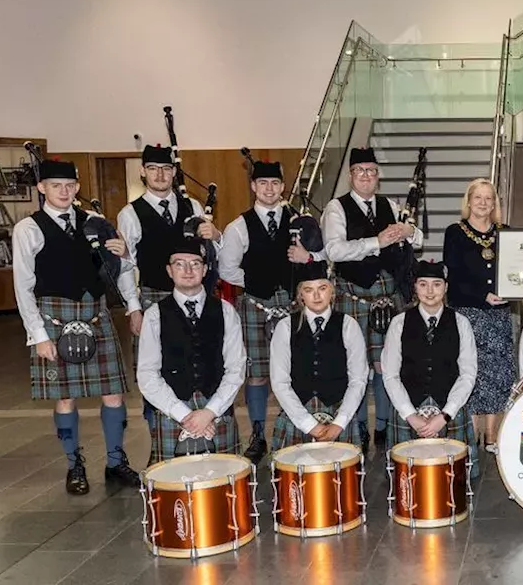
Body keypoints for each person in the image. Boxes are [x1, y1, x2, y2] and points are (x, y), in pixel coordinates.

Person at [14, 158, 142, 494]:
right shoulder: (28, 228)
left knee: (114, 393)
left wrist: (124, 254)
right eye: (56, 186)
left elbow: (120, 268)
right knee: (65, 397)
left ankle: (116, 461)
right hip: (53, 317)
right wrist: (38, 336)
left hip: (95, 314)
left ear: (78, 188)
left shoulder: (97, 222)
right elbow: (23, 286)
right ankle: (75, 466)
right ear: (41, 188)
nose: (64, 192)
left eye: (70, 186)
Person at [118, 143, 221, 464]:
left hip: (195, 297)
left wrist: (215, 234)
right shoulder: (130, 212)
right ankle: (159, 444)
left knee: (201, 366)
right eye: (153, 169)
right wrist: (133, 307)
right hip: (152, 298)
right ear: (143, 172)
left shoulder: (191, 205)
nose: (160, 175)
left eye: (166, 169)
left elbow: (211, 254)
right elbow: (124, 263)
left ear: (174, 172)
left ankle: (202, 435)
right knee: (156, 371)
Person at [218, 159, 322, 462]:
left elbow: (322, 255)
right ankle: (258, 434)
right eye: (263, 183)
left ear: (282, 187)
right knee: (258, 375)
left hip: (293, 305)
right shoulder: (239, 226)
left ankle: (299, 427)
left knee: (298, 371)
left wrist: (308, 257)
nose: (269, 189)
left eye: (275, 183)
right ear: (253, 186)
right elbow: (227, 270)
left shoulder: (301, 220)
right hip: (256, 305)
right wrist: (257, 281)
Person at [321, 146, 422, 453]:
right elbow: (334, 251)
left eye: (371, 171)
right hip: (354, 295)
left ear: (378, 176)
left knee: (386, 364)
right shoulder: (336, 209)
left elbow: (417, 239)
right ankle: (361, 425)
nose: (366, 176)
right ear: (351, 175)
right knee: (357, 367)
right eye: (360, 171)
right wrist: (375, 242)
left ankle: (383, 428)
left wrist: (408, 230)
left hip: (388, 298)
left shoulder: (389, 205)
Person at [136, 237, 246, 462]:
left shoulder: (226, 312)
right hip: (172, 412)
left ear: (205, 269)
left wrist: (209, 413)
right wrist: (185, 416)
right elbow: (147, 374)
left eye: (195, 263)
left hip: (217, 410)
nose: (187, 270)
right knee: (171, 491)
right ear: (169, 270)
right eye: (179, 264)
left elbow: (236, 368)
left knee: (226, 488)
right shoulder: (154, 315)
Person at [381, 261, 480, 476]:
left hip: (448, 408)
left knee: (455, 480)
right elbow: (390, 375)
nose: (430, 291)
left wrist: (445, 415)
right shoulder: (399, 322)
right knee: (406, 479)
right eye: (423, 284)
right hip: (407, 409)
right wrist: (410, 415)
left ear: (445, 287)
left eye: (436, 284)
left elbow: (468, 373)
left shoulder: (461, 322)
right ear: (415, 287)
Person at [443, 178, 513, 455]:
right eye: (478, 198)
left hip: (499, 315)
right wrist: (481, 296)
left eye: (489, 198)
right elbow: (454, 276)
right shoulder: (455, 232)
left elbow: (517, 270)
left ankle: (492, 436)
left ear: (495, 203)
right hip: (469, 314)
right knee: (470, 373)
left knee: (498, 374)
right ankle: (471, 435)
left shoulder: (506, 233)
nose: (484, 203)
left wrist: (522, 288)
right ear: (468, 201)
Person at [268, 261, 369, 449]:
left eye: (322, 288)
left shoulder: (348, 325)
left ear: (331, 291)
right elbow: (280, 382)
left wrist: (340, 423)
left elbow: (358, 379)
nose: (316, 295)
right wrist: (309, 424)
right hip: (297, 415)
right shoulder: (285, 327)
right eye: (308, 289)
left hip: (339, 415)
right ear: (300, 295)